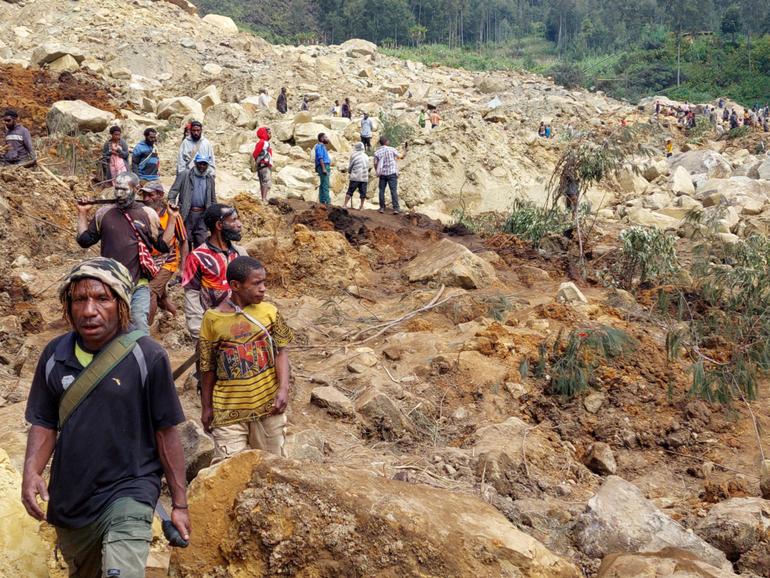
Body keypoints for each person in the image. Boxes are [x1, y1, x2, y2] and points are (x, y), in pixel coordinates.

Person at [22, 257, 189, 578]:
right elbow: (43, 421)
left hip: (131, 491)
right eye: (79, 299)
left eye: (102, 298)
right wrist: (32, 472)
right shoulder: (54, 356)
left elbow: (166, 432)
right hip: (72, 500)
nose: (89, 310)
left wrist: (179, 503)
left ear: (122, 304)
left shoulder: (147, 356)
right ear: (67, 306)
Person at [199, 256, 294, 461]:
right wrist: (206, 407)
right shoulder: (212, 319)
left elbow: (281, 352)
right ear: (235, 285)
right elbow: (207, 367)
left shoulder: (270, 312)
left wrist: (283, 389)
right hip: (228, 412)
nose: (263, 288)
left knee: (273, 467)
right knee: (227, 471)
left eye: (264, 282)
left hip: (268, 407)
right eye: (256, 283)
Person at [77, 172, 176, 335]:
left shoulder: (148, 214)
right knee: (111, 330)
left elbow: (163, 245)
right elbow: (84, 240)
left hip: (138, 285)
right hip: (110, 286)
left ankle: (142, 359)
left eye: (124, 190)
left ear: (136, 189)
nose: (119, 194)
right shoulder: (104, 213)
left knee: (139, 327)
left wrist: (172, 218)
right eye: (117, 189)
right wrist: (82, 213)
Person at [181, 203, 246, 343]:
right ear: (219, 225)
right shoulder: (197, 257)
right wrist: (198, 334)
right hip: (213, 330)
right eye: (234, 220)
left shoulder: (240, 254)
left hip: (242, 327)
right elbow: (191, 296)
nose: (239, 224)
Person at [140, 182, 188, 326]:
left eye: (151, 195)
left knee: (150, 292)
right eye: (144, 195)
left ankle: (144, 332)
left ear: (160, 196)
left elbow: (184, 241)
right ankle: (176, 317)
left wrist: (183, 267)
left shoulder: (172, 215)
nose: (146, 198)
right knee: (161, 297)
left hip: (168, 261)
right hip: (148, 262)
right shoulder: (142, 213)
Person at [169, 154, 216, 249]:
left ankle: (198, 261)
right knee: (186, 240)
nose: (202, 166)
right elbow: (174, 191)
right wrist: (171, 203)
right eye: (200, 164)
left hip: (203, 214)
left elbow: (213, 198)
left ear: (208, 165)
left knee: (201, 240)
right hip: (187, 213)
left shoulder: (209, 178)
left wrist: (214, 213)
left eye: (204, 164)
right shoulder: (185, 174)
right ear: (195, 163)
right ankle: (186, 262)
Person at [373, 136, 406, 215]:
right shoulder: (392, 149)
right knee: (393, 190)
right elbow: (401, 157)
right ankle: (396, 208)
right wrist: (405, 151)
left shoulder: (377, 152)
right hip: (392, 173)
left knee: (381, 190)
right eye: (388, 141)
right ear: (386, 142)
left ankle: (382, 207)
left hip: (383, 174)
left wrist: (377, 170)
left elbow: (375, 163)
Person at [344, 142, 369, 210]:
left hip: (355, 176)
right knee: (363, 193)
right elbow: (367, 167)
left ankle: (345, 205)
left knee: (350, 191)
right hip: (364, 177)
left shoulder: (354, 155)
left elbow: (351, 165)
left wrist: (349, 171)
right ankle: (361, 206)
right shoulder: (366, 156)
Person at [252, 127, 274, 203]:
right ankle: (264, 199)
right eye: (269, 133)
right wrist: (261, 159)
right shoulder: (262, 142)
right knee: (266, 181)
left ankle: (263, 198)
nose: (270, 135)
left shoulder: (266, 143)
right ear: (265, 133)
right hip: (264, 164)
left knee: (263, 181)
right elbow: (255, 153)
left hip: (264, 164)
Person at [314, 133, 332, 206]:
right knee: (325, 184)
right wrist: (324, 168)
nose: (327, 139)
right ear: (321, 139)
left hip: (323, 166)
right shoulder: (320, 146)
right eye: (326, 137)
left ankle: (322, 201)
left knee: (322, 184)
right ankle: (327, 202)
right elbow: (320, 157)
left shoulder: (321, 146)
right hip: (323, 166)